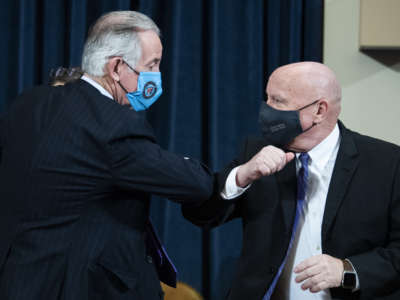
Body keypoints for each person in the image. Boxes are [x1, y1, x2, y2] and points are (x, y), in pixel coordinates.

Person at [0, 11, 213, 300]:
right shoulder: (113, 124)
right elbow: (195, 184)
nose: (157, 76)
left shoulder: (28, 103)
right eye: (152, 65)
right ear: (116, 67)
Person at [183, 62, 400, 300]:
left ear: (319, 110)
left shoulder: (387, 164)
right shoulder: (257, 152)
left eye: (278, 101)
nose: (266, 110)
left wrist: (347, 271)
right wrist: (243, 175)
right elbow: (201, 213)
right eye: (267, 99)